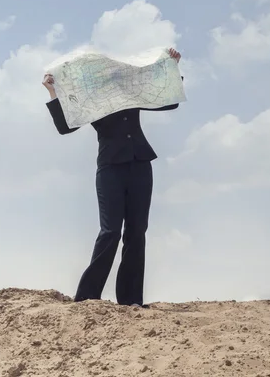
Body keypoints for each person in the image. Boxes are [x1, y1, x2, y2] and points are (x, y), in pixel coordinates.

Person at [42, 48, 183, 308]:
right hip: (109, 169)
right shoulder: (91, 100)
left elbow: (169, 101)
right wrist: (52, 92)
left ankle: (131, 301)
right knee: (110, 232)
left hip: (141, 165)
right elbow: (65, 127)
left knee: (137, 232)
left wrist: (171, 67)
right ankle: (86, 298)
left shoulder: (130, 94)